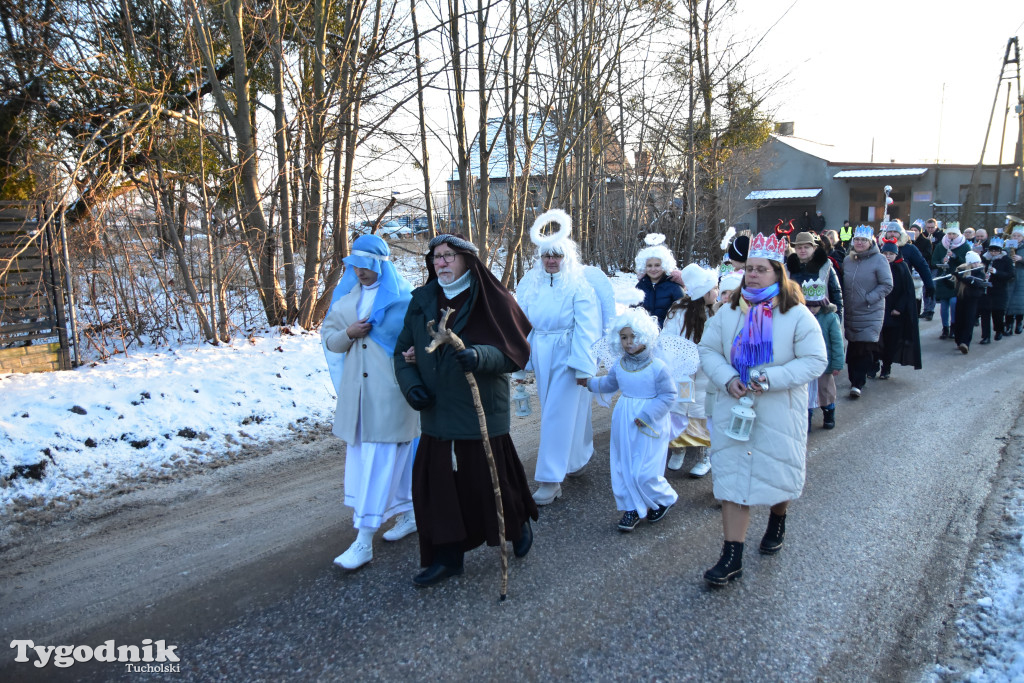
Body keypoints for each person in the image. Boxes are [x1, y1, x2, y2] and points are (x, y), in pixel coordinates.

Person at [393, 233, 538, 587]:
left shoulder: (492, 298)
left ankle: (515, 525)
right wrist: (412, 387)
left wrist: (478, 356)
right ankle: (447, 557)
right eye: (436, 257)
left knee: (490, 481)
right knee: (437, 488)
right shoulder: (423, 300)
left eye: (448, 256)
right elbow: (402, 351)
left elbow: (514, 353)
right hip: (438, 411)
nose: (440, 263)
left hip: (481, 410)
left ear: (467, 260)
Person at [697, 233, 828, 586]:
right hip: (734, 407)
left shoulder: (797, 314)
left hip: (778, 410)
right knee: (732, 479)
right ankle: (731, 555)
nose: (752, 275)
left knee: (776, 474)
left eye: (761, 270)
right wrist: (727, 378)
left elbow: (816, 360)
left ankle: (778, 518)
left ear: (777, 273)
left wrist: (770, 378)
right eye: (749, 269)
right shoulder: (727, 312)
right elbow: (708, 350)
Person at [321, 234, 419, 570]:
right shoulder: (346, 301)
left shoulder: (404, 299)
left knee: (380, 465)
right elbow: (331, 342)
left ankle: (363, 541)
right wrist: (348, 334)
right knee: (371, 463)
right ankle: (408, 515)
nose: (360, 272)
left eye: (366, 265)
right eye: (355, 265)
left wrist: (414, 354)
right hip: (359, 400)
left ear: (381, 264)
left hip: (391, 395)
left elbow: (420, 339)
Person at [516, 210, 602, 506]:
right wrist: (520, 361)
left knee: (556, 414)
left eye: (557, 256)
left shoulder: (578, 286)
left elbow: (587, 327)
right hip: (541, 351)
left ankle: (550, 480)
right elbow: (522, 323)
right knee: (568, 413)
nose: (551, 261)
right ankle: (576, 457)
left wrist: (582, 365)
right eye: (546, 256)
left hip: (568, 354)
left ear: (566, 257)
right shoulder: (531, 284)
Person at [580, 309, 678, 531]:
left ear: (645, 336)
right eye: (624, 337)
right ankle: (631, 508)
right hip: (624, 418)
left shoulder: (658, 367)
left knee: (645, 468)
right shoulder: (620, 365)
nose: (629, 342)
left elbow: (669, 395)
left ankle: (662, 498)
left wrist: (647, 415)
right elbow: (609, 384)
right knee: (623, 464)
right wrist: (589, 383)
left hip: (650, 420)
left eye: (633, 336)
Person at [664, 263, 718, 477]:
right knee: (679, 409)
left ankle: (705, 454)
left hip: (706, 373)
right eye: (713, 289)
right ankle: (679, 449)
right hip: (683, 373)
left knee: (702, 412)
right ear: (703, 292)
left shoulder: (716, 312)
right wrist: (678, 360)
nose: (716, 292)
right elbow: (668, 340)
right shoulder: (679, 310)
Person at [842, 225, 893, 399]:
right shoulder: (848, 260)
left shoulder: (879, 260)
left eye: (863, 240)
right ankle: (853, 379)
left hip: (870, 311)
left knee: (864, 347)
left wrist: (869, 297)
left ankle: (858, 382)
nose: (860, 243)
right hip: (851, 311)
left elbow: (887, 284)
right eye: (857, 239)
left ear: (870, 242)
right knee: (853, 345)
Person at [801, 278, 843, 430]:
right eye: (809, 305)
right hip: (806, 364)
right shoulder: (802, 317)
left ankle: (829, 412)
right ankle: (807, 420)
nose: (812, 309)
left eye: (815, 306)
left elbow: (837, 342)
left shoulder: (830, 318)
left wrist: (837, 364)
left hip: (825, 364)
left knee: (825, 392)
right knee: (807, 395)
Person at [876, 240, 922, 379]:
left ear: (896, 254)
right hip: (878, 310)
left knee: (890, 342)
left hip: (893, 313)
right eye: (885, 253)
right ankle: (873, 366)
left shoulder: (901, 268)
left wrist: (899, 308)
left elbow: (907, 291)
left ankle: (886, 367)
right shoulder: (877, 265)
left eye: (891, 253)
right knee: (874, 341)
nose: (888, 256)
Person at [786, 231, 843, 320]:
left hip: (820, 318)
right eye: (799, 247)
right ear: (795, 249)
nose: (803, 250)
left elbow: (836, 294)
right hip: (794, 317)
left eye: (806, 247)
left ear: (814, 248)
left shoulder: (825, 267)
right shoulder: (787, 268)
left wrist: (837, 318)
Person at [882, 221, 934, 320]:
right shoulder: (880, 247)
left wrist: (929, 284)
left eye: (895, 232)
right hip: (884, 292)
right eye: (890, 231)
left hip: (903, 291)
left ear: (900, 233)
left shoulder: (909, 248)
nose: (892, 234)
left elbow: (922, 266)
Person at [931, 222, 970, 340]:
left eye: (954, 234)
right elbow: (933, 261)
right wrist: (942, 261)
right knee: (943, 304)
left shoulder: (965, 246)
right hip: (944, 276)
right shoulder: (941, 245)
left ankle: (954, 326)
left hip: (957, 278)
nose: (951, 236)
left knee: (953, 302)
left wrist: (955, 257)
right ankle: (945, 328)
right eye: (949, 234)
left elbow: (967, 263)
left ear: (958, 234)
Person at [635, 233, 684, 326]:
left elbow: (682, 315)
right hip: (644, 334)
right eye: (649, 265)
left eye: (657, 265)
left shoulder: (675, 288)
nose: (653, 269)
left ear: (665, 265)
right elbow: (632, 312)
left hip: (668, 334)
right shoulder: (640, 286)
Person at [978, 237, 1015, 344]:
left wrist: (996, 272)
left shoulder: (1006, 259)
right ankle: (985, 336)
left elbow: (1010, 275)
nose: (993, 253)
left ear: (1000, 250)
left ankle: (999, 330)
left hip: (999, 291)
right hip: (986, 290)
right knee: (985, 314)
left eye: (996, 251)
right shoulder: (984, 258)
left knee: (997, 313)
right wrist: (983, 274)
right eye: (992, 250)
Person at [953, 251, 989, 354]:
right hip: (961, 298)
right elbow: (954, 285)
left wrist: (962, 279)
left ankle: (965, 343)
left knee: (969, 321)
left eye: (978, 262)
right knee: (959, 320)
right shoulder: (962, 270)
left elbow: (977, 283)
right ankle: (959, 340)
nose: (976, 265)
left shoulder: (980, 272)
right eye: (974, 263)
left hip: (973, 299)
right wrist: (954, 275)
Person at [917, 218, 942, 321]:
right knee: (924, 288)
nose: (930, 230)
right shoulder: (923, 236)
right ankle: (926, 309)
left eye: (932, 228)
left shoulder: (941, 236)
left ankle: (931, 310)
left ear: (936, 227)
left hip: (934, 266)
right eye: (928, 228)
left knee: (931, 286)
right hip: (925, 265)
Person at [1004, 229, 1024, 335]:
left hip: (1021, 277)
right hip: (1010, 278)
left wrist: (1021, 258)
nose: (1016, 237)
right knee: (1009, 301)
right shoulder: (1007, 248)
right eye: (1014, 236)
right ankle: (1008, 325)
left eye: (1018, 236)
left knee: (1020, 302)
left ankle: (1019, 323)